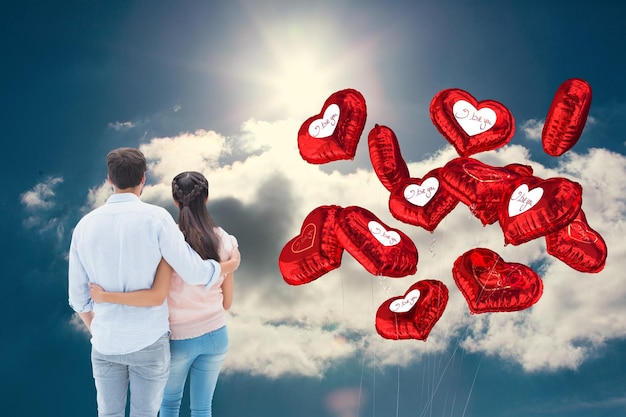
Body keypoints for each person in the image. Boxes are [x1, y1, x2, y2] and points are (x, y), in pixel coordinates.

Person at [68, 148, 240, 417]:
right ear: (143, 178)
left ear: (109, 179)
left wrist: (99, 329)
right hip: (150, 340)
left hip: (106, 342)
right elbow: (194, 274)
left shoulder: (83, 227)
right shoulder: (158, 220)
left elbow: (78, 299)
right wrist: (229, 266)